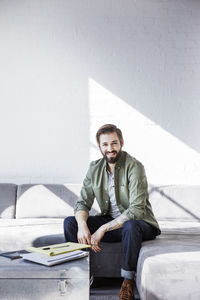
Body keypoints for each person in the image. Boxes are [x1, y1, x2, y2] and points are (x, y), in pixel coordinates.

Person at [64, 124, 161, 300]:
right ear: (99, 146)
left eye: (114, 143)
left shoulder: (134, 166)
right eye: (105, 145)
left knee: (130, 226)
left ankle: (128, 281)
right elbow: (82, 203)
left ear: (122, 142)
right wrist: (82, 225)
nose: (110, 149)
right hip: (113, 223)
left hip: (141, 224)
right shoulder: (94, 169)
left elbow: (136, 209)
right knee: (70, 222)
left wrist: (102, 229)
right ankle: (80, 276)